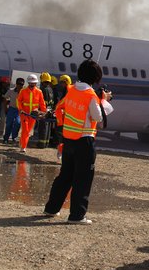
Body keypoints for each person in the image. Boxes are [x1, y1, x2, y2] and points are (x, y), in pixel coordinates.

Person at [44, 60, 111, 224]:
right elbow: (98, 118)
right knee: (83, 178)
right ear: (95, 77)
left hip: (68, 139)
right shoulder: (90, 95)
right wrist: (103, 100)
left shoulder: (72, 90)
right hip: (84, 140)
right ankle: (77, 215)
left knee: (65, 175)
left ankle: (51, 208)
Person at [17, 74, 46, 153]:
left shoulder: (39, 92)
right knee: (25, 130)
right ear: (28, 83)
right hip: (24, 113)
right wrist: (20, 109)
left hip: (33, 115)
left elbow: (42, 103)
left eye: (34, 83)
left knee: (28, 131)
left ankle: (22, 142)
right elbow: (18, 100)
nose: (32, 84)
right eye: (31, 83)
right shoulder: (23, 91)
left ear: (36, 83)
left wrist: (44, 112)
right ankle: (23, 147)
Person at [2, 77, 25, 144]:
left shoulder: (24, 92)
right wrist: (6, 108)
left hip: (19, 110)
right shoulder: (11, 91)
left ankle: (14, 137)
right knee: (9, 124)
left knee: (17, 123)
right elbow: (5, 98)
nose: (20, 86)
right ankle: (6, 138)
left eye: (21, 84)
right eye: (19, 84)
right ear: (16, 84)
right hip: (11, 109)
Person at [37, 72, 54, 148]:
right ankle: (46, 143)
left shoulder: (43, 90)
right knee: (47, 128)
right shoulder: (50, 89)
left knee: (42, 128)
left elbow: (41, 102)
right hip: (50, 111)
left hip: (43, 111)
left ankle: (41, 144)